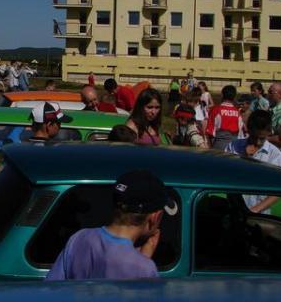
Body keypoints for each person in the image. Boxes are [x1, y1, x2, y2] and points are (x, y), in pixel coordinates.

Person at [46, 169, 175, 280]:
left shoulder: (79, 238)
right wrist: (142, 261)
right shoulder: (145, 269)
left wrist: (141, 258)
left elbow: (52, 288)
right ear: (154, 217)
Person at [225, 110, 281, 214]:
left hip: (260, 214)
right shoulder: (233, 147)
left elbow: (280, 189)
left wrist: (255, 210)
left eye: (261, 138)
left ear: (269, 132)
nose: (257, 142)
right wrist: (244, 158)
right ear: (248, 130)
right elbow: (225, 175)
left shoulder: (275, 156)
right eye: (254, 137)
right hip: (234, 210)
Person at [206, 85, 244, 151]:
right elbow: (240, 134)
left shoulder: (216, 110)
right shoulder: (238, 112)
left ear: (222, 95)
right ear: (234, 97)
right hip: (234, 148)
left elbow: (210, 132)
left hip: (219, 147)